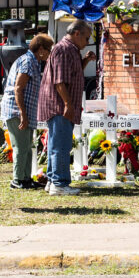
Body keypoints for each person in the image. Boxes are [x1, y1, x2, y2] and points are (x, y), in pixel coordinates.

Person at [38, 20, 96, 196]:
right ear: (77, 33)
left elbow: (73, 72)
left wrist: (85, 60)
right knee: (61, 145)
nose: (87, 42)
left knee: (57, 143)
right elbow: (60, 81)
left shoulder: (70, 50)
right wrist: (68, 104)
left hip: (59, 104)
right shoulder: (64, 49)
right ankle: (59, 183)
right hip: (59, 105)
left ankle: (52, 180)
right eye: (86, 38)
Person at [0, 33, 54, 189]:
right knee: (21, 147)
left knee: (28, 146)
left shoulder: (34, 62)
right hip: (16, 111)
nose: (50, 53)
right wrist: (22, 113)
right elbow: (18, 88)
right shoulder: (27, 62)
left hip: (25, 110)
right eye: (49, 49)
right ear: (41, 49)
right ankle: (17, 180)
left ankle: (26, 178)